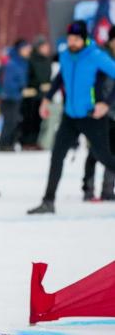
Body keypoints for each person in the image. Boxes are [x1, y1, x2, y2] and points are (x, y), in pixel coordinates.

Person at [28, 21, 115, 214]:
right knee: (57, 156)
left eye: (76, 39)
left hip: (92, 116)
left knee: (105, 158)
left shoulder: (96, 56)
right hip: (70, 117)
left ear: (84, 39)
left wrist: (106, 104)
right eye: (69, 38)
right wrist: (47, 100)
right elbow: (60, 78)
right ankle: (48, 201)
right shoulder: (66, 56)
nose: (72, 42)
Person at [82, 26, 115, 201]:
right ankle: (88, 188)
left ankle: (108, 189)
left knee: (113, 151)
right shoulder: (100, 58)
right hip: (98, 111)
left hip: (113, 112)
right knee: (95, 152)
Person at [0, 39, 31, 152]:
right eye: (25, 49)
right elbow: (8, 83)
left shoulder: (23, 62)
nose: (28, 51)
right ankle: (4, 144)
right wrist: (19, 90)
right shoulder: (12, 63)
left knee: (15, 121)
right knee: (9, 122)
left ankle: (10, 143)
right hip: (10, 98)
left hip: (18, 97)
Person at [20, 36, 52, 150]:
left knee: (40, 120)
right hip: (31, 95)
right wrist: (37, 86)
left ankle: (37, 141)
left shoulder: (47, 60)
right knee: (29, 119)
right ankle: (26, 141)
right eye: (44, 46)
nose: (47, 48)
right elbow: (29, 77)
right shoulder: (31, 60)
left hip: (43, 95)